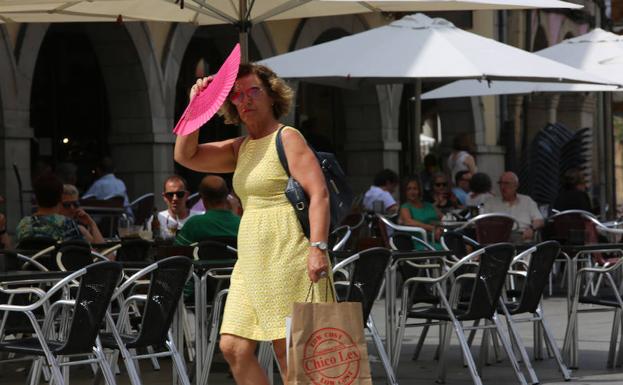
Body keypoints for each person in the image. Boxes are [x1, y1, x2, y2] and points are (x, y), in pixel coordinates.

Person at [174, 63, 331, 385]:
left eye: (253, 91)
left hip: (288, 253)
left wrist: (318, 248)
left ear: (272, 96)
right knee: (232, 347)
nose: (245, 100)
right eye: (237, 94)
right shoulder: (240, 147)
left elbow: (319, 194)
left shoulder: (287, 138)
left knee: (288, 354)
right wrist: (197, 103)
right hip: (251, 261)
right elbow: (185, 155)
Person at [16, 174, 83, 243]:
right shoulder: (67, 224)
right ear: (60, 198)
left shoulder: (24, 224)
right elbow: (82, 250)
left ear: (35, 198)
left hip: (31, 254)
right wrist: (92, 225)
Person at [175, 175, 241, 246]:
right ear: (226, 196)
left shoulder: (194, 224)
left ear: (203, 198)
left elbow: (177, 250)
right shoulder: (241, 224)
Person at [482, 171, 544, 242]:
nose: (502, 187)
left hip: (522, 235)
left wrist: (532, 229)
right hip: (499, 237)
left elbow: (539, 220)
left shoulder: (527, 201)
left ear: (516, 186)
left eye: (506, 183)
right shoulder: (491, 202)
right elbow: (483, 222)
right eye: (500, 183)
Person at [147, 175, 199, 240]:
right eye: (170, 195)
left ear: (187, 195)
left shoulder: (199, 217)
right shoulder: (157, 219)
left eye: (179, 194)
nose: (175, 198)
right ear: (164, 197)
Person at [399, 176, 442, 248]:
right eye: (409, 189)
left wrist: (440, 229)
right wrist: (431, 228)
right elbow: (408, 221)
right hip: (420, 242)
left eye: (415, 189)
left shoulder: (430, 206)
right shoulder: (405, 207)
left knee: (461, 245)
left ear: (419, 190)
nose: (412, 192)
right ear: (405, 192)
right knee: (454, 248)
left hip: (438, 239)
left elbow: (444, 219)